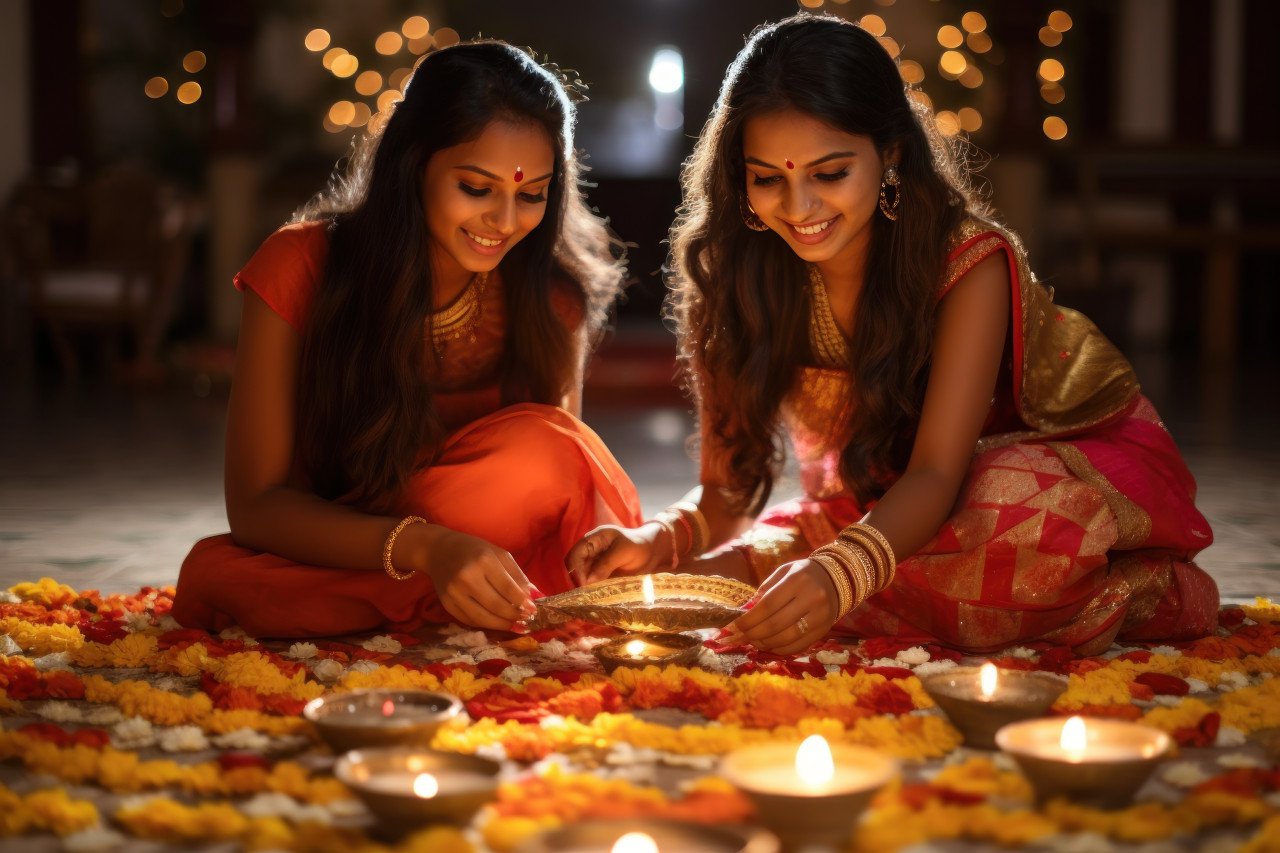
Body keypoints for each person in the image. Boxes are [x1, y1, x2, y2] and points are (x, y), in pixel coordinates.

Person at [568, 14, 1218, 656]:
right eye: (768, 178)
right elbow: (728, 490)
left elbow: (937, 472)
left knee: (1015, 514)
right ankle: (886, 588)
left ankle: (1138, 584)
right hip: (875, 504)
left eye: (829, 173)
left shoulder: (966, 263)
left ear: (892, 156)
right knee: (764, 555)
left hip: (1022, 476)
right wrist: (660, 537)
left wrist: (838, 572)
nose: (799, 208)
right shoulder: (735, 275)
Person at [173, 41, 641, 638]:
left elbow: (554, 492)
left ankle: (441, 598)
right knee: (224, 577)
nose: (504, 221)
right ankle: (437, 597)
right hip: (345, 545)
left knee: (549, 447)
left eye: (530, 195)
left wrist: (460, 548)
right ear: (414, 163)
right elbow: (257, 506)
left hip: (493, 557)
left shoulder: (549, 297)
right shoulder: (302, 266)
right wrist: (428, 548)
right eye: (476, 188)